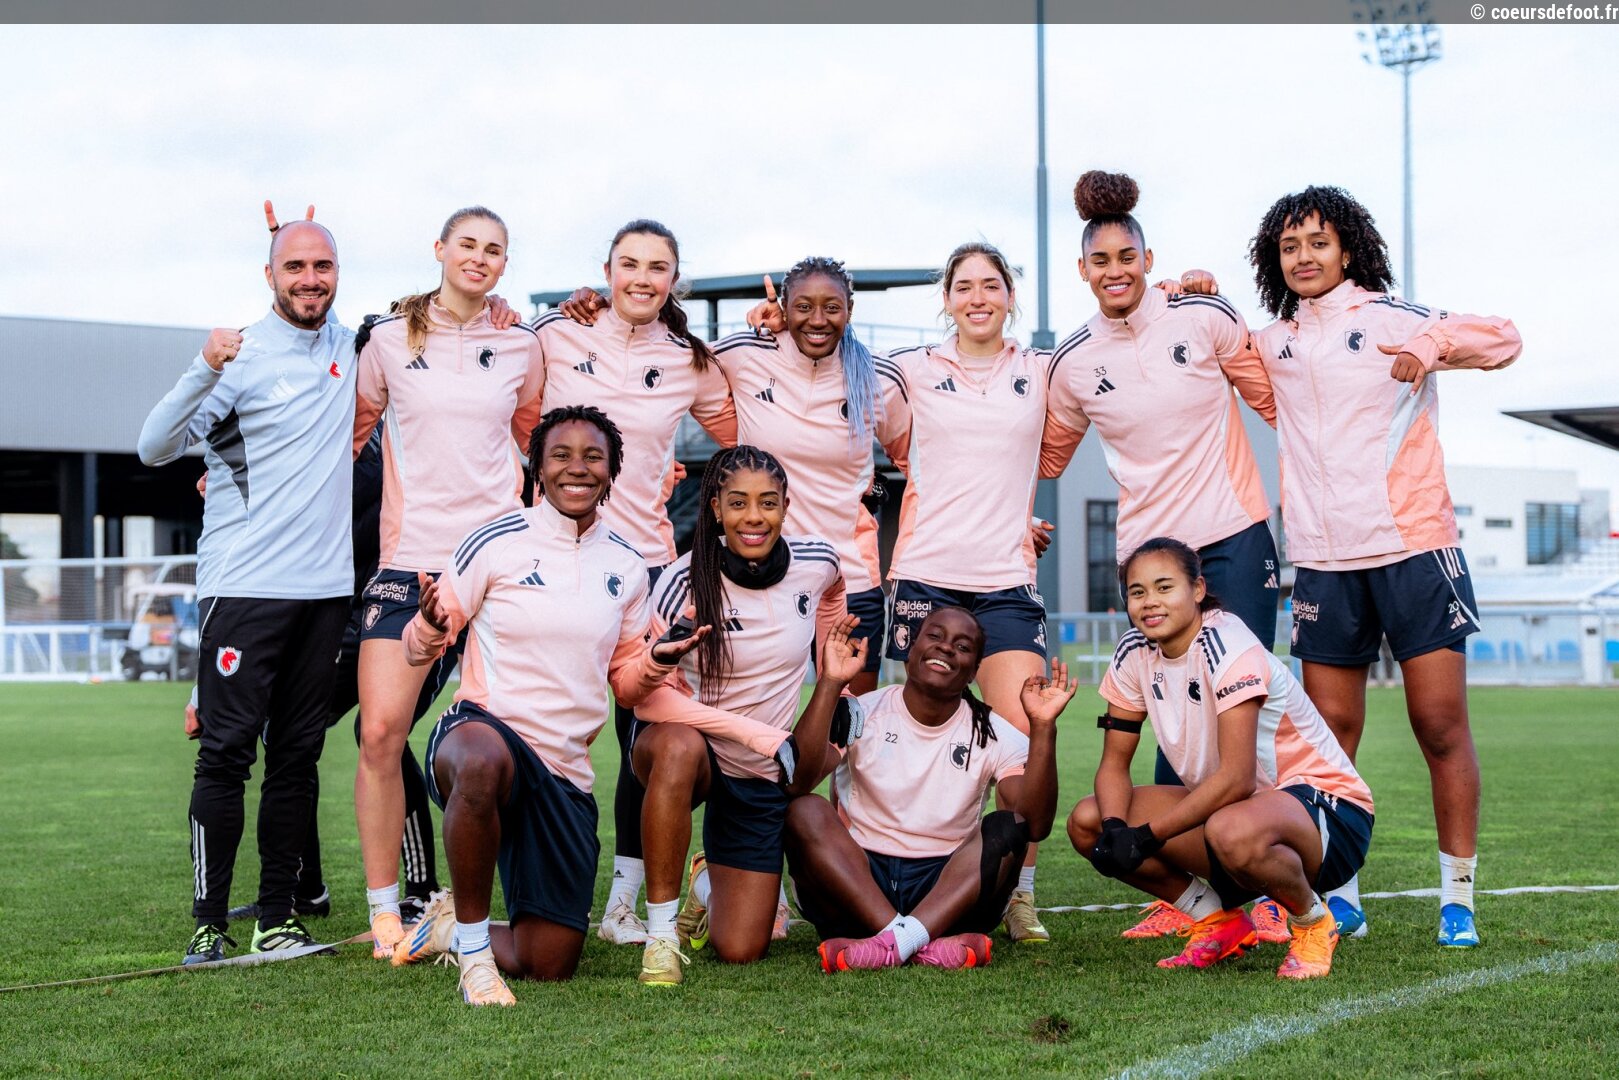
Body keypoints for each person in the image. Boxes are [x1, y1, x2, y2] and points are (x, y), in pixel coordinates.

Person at [1244, 185, 1521, 946]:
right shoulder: (1273, 343)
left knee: (1438, 725)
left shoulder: (1394, 319)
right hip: (1323, 562)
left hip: (1414, 549)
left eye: (1318, 242)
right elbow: (1211, 345)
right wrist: (1188, 292)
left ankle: (1457, 899)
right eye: (1289, 246)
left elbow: (1503, 338)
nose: (1304, 257)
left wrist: (1432, 348)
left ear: (1348, 250)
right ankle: (1342, 896)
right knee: (1330, 737)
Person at [1040, 170, 1283, 942]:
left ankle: (1267, 885)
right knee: (1173, 714)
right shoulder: (1072, 363)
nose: (1114, 271)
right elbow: (1040, 457)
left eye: (1126, 257)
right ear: (1081, 271)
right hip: (1149, 559)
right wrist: (1014, 519)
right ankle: (1196, 898)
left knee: (1235, 715)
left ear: (1148, 260)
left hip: (1232, 536)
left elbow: (1275, 399)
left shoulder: (1202, 314)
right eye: (1099, 261)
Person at [388, 406, 686, 1005]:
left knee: (548, 961)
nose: (577, 468)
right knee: (479, 761)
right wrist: (428, 627)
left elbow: (626, 686)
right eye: (561, 456)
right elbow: (420, 646)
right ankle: (476, 959)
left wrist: (656, 662)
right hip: (484, 734)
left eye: (593, 457)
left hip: (563, 772)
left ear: (612, 471)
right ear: (538, 468)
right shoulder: (496, 541)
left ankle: (446, 929)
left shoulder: (627, 565)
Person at [138, 219, 355, 963]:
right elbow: (154, 445)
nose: (310, 279)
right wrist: (203, 365)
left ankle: (276, 920)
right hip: (244, 589)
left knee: (297, 758)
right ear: (269, 275)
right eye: (294, 266)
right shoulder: (238, 355)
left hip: (325, 593)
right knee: (226, 754)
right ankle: (208, 925)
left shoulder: (355, 347)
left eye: (322, 265)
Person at [530, 219, 737, 946]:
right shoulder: (557, 334)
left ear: (675, 280)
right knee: (542, 725)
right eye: (629, 264)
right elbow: (514, 421)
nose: (642, 278)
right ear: (607, 271)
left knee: (644, 736)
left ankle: (622, 902)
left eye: (657, 267)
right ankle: (537, 884)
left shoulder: (690, 360)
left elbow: (749, 431)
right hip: (552, 561)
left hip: (642, 566)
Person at [350, 206, 546, 958]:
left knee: (514, 741)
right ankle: (384, 913)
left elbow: (541, 443)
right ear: (439, 249)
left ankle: (505, 905)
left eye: (494, 249)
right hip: (411, 563)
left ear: (504, 264)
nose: (479, 258)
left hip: (499, 567)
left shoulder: (522, 344)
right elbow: (345, 438)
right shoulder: (386, 341)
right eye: (467, 244)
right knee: (379, 732)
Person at [1066, 538, 1375, 980]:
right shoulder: (1134, 650)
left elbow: (1236, 779)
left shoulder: (1226, 643)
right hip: (1236, 816)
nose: (1150, 601)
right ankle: (1217, 921)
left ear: (1197, 590)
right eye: (1137, 592)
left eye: (1164, 587)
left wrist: (1147, 837)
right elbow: (1114, 764)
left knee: (1230, 828)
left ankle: (1312, 922)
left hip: (1328, 813)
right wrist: (1116, 829)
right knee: (1088, 820)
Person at [870, 241, 1055, 942]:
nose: (978, 297)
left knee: (1024, 737)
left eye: (991, 284)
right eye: (964, 286)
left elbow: (1050, 449)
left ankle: (1018, 894)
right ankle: (879, 869)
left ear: (1010, 295)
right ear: (946, 299)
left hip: (1006, 582)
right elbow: (867, 411)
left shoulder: (1040, 371)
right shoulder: (910, 369)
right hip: (927, 574)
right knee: (900, 741)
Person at [624, 444, 854, 985]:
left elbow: (834, 592)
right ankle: (661, 937)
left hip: (760, 773)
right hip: (694, 751)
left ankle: (706, 883)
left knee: (741, 948)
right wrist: (756, 735)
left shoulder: (817, 562)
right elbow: (644, 697)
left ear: (786, 507)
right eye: (738, 503)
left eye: (768, 503)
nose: (754, 517)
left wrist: (834, 667)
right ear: (716, 509)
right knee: (677, 746)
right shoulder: (682, 582)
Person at [785, 606, 1072, 971]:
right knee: (804, 809)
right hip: (856, 887)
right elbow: (797, 781)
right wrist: (830, 683)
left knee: (1006, 825)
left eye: (963, 647)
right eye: (935, 636)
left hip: (948, 895)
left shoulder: (993, 731)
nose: (947, 647)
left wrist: (1044, 728)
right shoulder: (862, 711)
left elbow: (1033, 824)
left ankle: (889, 944)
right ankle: (916, 941)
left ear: (974, 670)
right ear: (910, 649)